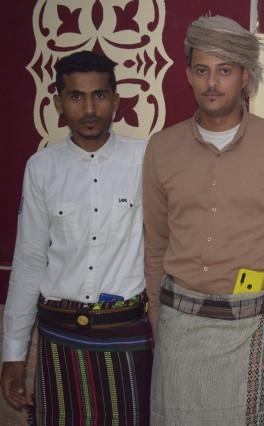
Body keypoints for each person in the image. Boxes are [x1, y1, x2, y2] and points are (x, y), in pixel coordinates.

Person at [142, 15, 264, 424]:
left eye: (224, 70)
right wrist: (157, 317)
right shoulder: (161, 149)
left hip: (257, 329)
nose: (212, 83)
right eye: (202, 70)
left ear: (245, 77)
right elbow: (155, 241)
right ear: (188, 75)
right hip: (179, 327)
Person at [1, 51, 152, 424]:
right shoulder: (41, 168)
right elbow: (30, 260)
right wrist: (13, 354)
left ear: (116, 101)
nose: (88, 109)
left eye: (99, 95)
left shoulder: (146, 160)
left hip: (126, 331)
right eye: (75, 96)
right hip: (60, 332)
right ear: (59, 103)